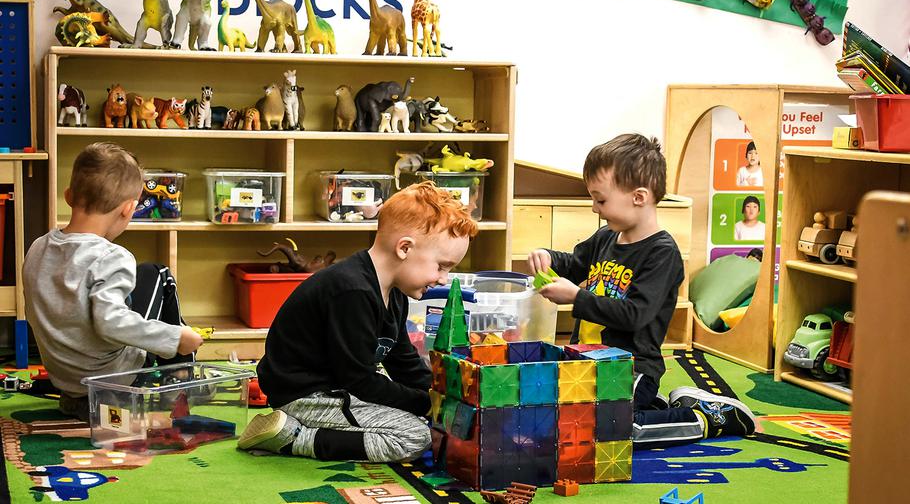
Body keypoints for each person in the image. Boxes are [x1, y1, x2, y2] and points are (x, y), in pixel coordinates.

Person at [528, 133, 756, 448]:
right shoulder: (605, 237)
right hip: (587, 364)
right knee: (558, 419)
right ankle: (654, 407)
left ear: (638, 196)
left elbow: (635, 315)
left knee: (611, 432)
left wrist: (576, 298)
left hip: (633, 366)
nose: (595, 208)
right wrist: (549, 257)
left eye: (601, 199)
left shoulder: (662, 253)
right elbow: (574, 263)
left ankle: (707, 417)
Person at [240, 182, 478, 462]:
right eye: (442, 266)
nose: (443, 279)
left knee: (416, 415)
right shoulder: (353, 291)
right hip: (306, 395)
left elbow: (404, 364)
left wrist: (444, 393)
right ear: (404, 248)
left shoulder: (395, 293)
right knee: (415, 436)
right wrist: (428, 405)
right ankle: (292, 437)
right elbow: (359, 381)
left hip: (338, 388)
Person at [23, 142, 203, 421]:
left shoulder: (37, 248)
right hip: (111, 380)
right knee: (158, 274)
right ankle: (181, 381)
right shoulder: (113, 257)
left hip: (66, 380)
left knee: (142, 277)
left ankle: (83, 401)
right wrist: (175, 337)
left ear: (68, 196)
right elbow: (110, 321)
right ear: (129, 209)